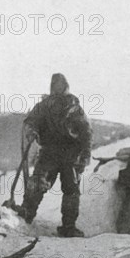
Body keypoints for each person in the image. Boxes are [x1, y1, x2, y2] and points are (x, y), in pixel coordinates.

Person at [16, 73, 92, 238]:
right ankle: (28, 216)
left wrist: (85, 154)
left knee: (62, 188)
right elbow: (30, 123)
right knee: (44, 184)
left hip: (65, 154)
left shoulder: (66, 107)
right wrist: (32, 132)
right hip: (57, 153)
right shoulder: (66, 107)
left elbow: (86, 132)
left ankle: (63, 225)